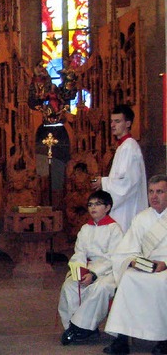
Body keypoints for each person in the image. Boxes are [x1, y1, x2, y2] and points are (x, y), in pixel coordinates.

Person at [102, 174, 167, 355]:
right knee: (128, 279)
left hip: (165, 269)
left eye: (160, 192)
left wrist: (164, 264)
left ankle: (164, 339)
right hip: (146, 266)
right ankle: (121, 340)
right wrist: (133, 261)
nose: (154, 196)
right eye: (151, 192)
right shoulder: (141, 218)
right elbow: (127, 249)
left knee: (162, 282)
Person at [58, 190, 123, 345]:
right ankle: (72, 327)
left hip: (109, 271)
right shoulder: (85, 229)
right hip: (88, 267)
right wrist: (80, 271)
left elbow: (114, 257)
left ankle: (80, 328)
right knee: (70, 285)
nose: (93, 208)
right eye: (90, 204)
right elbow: (79, 252)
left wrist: (94, 274)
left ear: (107, 207)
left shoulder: (114, 229)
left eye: (98, 204)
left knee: (100, 288)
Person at [91, 104, 147, 232]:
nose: (112, 125)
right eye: (111, 121)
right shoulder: (123, 146)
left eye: (117, 121)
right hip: (122, 208)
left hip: (127, 209)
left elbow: (127, 183)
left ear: (128, 123)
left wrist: (103, 182)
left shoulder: (129, 147)